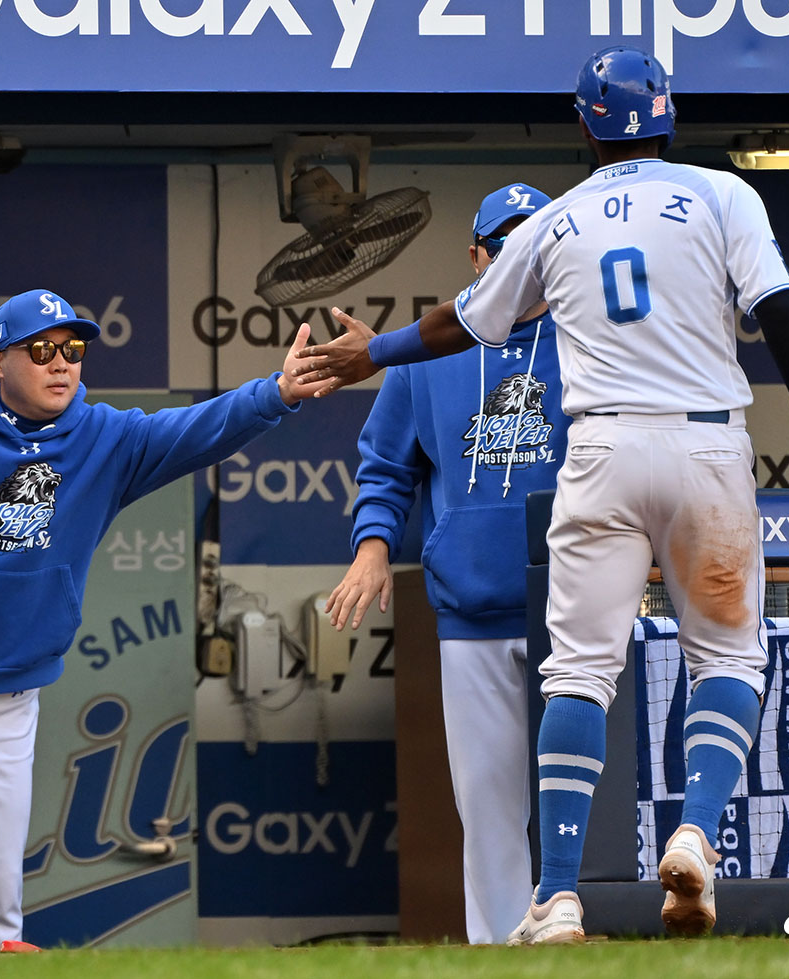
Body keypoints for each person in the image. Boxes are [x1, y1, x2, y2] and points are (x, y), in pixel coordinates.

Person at [293, 45, 789, 943]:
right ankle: (696, 831)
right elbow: (783, 310)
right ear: (669, 114)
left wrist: (376, 351)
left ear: (586, 128)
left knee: (580, 674)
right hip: (702, 439)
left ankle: (558, 897)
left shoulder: (556, 222)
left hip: (600, 452)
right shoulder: (722, 194)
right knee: (729, 659)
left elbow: (462, 319)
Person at [0, 288, 324, 951]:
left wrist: (276, 391)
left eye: (73, 349)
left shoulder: (104, 438)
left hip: (8, 700)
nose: (61, 363)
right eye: (41, 349)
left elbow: (198, 429)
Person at [326, 182, 566, 944]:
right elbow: (385, 467)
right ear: (475, 256)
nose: (522, 264)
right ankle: (499, 952)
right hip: (471, 611)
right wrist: (372, 551)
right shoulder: (427, 351)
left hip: (577, 607)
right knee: (491, 808)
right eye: (505, 248)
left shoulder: (597, 338)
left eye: (539, 247)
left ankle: (597, 951)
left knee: (587, 803)